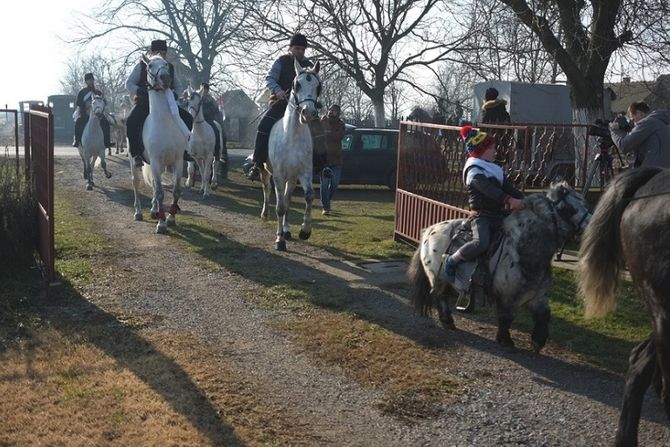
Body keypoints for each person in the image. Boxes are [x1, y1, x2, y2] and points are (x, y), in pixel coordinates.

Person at [444, 125, 525, 282]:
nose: (495, 151)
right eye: (492, 148)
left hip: (499, 214)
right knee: (481, 243)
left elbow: (510, 189)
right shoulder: (474, 170)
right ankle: (452, 260)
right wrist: (509, 200)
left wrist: (527, 201)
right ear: (481, 151)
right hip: (482, 216)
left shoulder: (495, 169)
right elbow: (486, 188)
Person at [247, 33, 327, 181]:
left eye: (303, 49)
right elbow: (270, 78)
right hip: (280, 105)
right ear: (290, 48)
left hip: (302, 110)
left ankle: (321, 166)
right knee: (263, 126)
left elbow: (315, 86)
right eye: (297, 48)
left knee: (318, 130)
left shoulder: (309, 66)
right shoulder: (281, 61)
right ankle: (257, 163)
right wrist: (277, 91)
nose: (300, 51)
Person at [125, 39, 193, 168]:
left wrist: (175, 95)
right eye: (158, 52)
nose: (161, 55)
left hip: (167, 104)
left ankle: (185, 151)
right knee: (131, 121)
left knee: (188, 118)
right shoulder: (141, 66)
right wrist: (140, 91)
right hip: (145, 103)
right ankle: (136, 154)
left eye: (163, 52)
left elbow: (178, 86)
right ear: (151, 52)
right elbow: (129, 83)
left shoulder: (169, 67)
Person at [609, 101, 670, 168]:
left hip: (653, 172)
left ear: (639, 113)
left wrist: (613, 130)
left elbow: (624, 145)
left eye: (633, 119)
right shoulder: (660, 122)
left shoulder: (647, 122)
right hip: (664, 170)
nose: (635, 124)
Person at [73, 73, 112, 148]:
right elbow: (78, 103)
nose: (91, 81)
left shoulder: (98, 92)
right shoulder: (82, 92)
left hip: (98, 114)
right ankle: (77, 140)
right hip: (85, 113)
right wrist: (86, 106)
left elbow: (105, 102)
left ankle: (107, 142)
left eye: (92, 80)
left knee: (106, 123)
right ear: (86, 82)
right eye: (89, 80)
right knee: (78, 122)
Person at [320, 105, 345, 215]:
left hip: (337, 159)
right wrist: (329, 133)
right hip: (324, 160)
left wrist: (328, 133)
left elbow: (339, 136)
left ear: (338, 113)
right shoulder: (322, 121)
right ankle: (326, 207)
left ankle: (327, 200)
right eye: (330, 110)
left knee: (334, 184)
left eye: (334, 111)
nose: (331, 112)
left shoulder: (341, 124)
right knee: (324, 185)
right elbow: (320, 135)